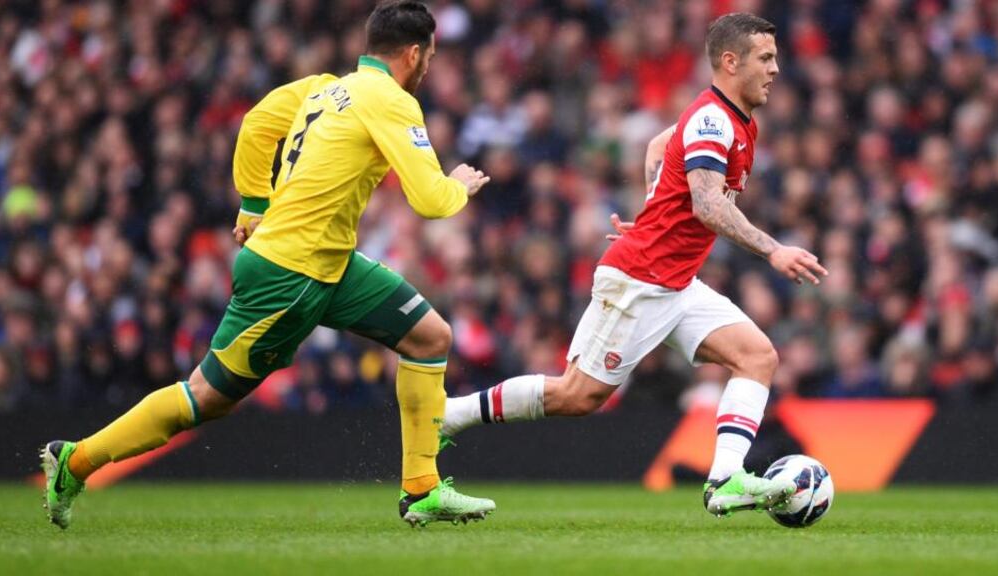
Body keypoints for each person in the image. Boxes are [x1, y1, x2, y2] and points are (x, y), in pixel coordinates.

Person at [41, 1, 495, 529]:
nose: (430, 68)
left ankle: (422, 489)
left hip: (328, 264)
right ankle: (74, 462)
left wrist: (254, 205)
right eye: (430, 57)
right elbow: (431, 200)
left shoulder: (324, 87)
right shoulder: (391, 99)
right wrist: (458, 186)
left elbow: (257, 125)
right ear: (414, 54)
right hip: (291, 275)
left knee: (429, 337)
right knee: (206, 398)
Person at [441, 13, 828, 517]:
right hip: (641, 279)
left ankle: (726, 479)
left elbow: (656, 146)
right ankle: (449, 416)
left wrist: (652, 211)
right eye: (766, 58)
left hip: (676, 281)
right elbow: (708, 205)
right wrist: (773, 249)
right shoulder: (714, 119)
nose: (776, 69)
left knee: (757, 356)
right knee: (577, 395)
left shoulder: (731, 117)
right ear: (730, 62)